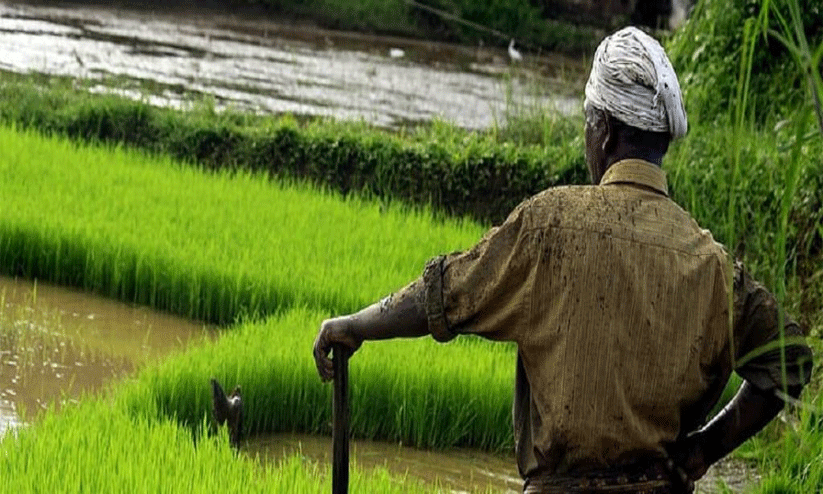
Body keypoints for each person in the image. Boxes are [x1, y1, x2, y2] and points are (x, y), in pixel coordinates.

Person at [312, 27, 813, 493]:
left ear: (604, 131)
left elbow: (445, 292)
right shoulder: (710, 264)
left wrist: (356, 324)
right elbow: (790, 357)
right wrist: (706, 446)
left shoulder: (550, 225)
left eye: (587, 122)